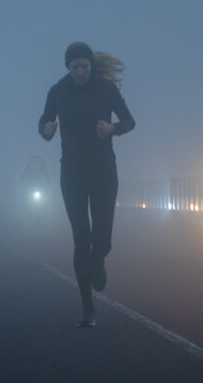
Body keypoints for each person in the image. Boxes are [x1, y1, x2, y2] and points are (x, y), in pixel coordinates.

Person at [38, 42, 135, 328]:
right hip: (72, 173)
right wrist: (45, 129)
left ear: (90, 66)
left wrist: (112, 128)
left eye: (84, 66)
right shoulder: (58, 91)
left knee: (101, 239)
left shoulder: (106, 89)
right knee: (81, 238)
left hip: (104, 171)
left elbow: (130, 121)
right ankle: (87, 309)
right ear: (67, 68)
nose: (79, 71)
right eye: (74, 67)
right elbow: (45, 120)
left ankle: (100, 258)